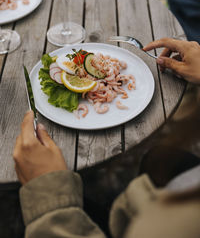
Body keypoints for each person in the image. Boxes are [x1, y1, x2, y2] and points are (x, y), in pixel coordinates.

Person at [13, 38, 200, 238]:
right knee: (157, 157)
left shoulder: (179, 225)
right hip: (161, 190)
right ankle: (114, 196)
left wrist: (50, 203)